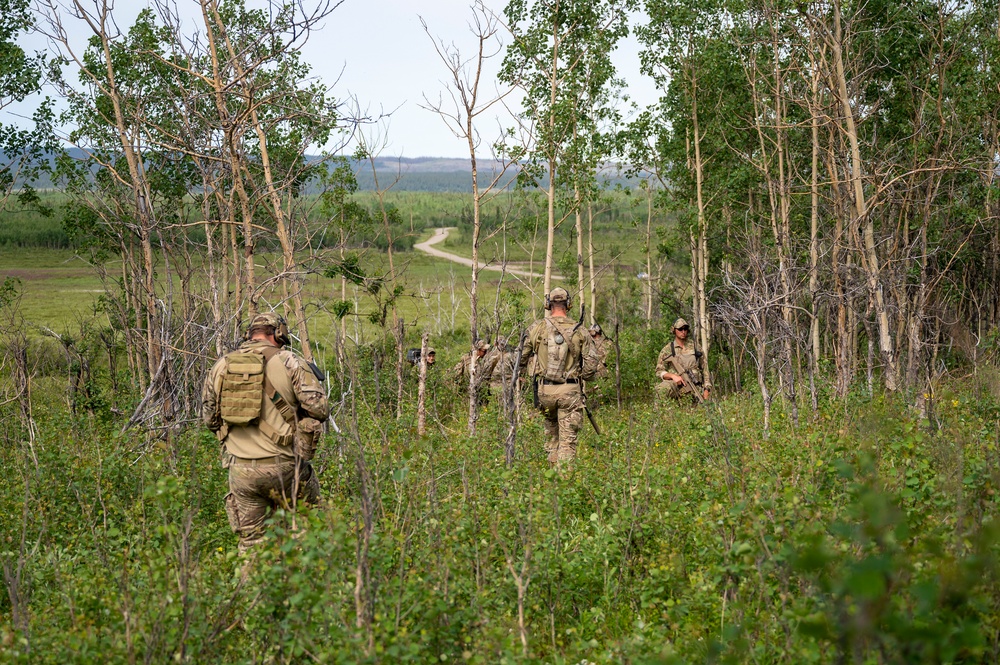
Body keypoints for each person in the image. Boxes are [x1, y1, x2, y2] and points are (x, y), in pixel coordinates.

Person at [202, 312, 329, 552]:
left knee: (251, 545)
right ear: (278, 333)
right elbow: (320, 409)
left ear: (250, 335)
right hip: (285, 468)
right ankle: (302, 585)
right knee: (306, 535)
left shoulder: (222, 365)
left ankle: (254, 588)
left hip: (241, 472)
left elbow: (210, 419)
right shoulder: (290, 361)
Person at [520, 287, 600, 466]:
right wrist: (581, 376)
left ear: (548, 304)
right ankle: (564, 483)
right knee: (567, 444)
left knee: (551, 439)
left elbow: (520, 358)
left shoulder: (536, 327)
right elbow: (591, 367)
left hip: (544, 392)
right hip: (569, 392)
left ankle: (551, 479)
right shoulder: (580, 330)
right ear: (568, 305)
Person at [655, 317, 711, 403]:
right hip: (676, 385)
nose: (683, 331)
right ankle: (660, 415)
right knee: (661, 389)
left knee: (702, 407)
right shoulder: (668, 349)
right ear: (674, 330)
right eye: (680, 329)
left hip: (695, 386)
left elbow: (705, 369)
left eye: (685, 329)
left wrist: (707, 388)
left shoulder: (696, 347)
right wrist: (673, 376)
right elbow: (659, 371)